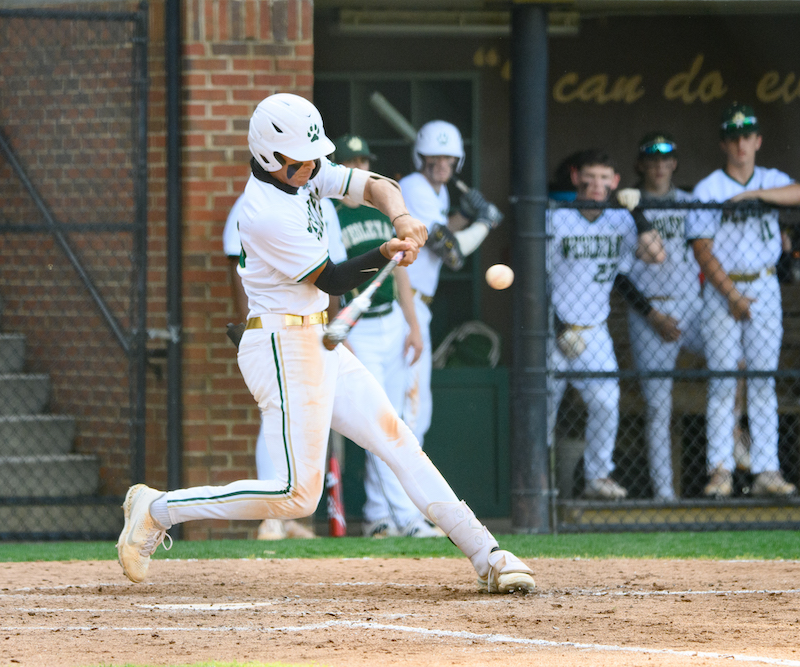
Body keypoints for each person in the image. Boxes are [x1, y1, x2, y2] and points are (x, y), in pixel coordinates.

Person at [117, 93, 535, 594]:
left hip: (315, 336)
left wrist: (400, 218)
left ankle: (488, 555)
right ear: (270, 156)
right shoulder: (264, 210)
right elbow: (333, 278)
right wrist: (384, 250)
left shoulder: (306, 170)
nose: (312, 167)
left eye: (315, 157)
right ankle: (158, 508)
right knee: (296, 497)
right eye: (300, 160)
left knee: (397, 439)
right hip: (280, 345)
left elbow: (376, 184)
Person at [689, 102, 800, 497]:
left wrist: (754, 194)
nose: (741, 144)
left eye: (747, 136)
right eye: (734, 137)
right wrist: (733, 295)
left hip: (765, 285)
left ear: (757, 140)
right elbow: (702, 248)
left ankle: (766, 470)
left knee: (762, 382)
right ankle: (720, 469)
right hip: (724, 291)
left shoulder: (771, 179)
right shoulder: (709, 188)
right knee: (723, 382)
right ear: (725, 143)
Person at [326, 133, 439, 538]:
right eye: (350, 162)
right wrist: (343, 333)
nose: (358, 168)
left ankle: (382, 515)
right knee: (381, 421)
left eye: (362, 161)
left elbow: (400, 272)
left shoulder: (384, 214)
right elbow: (329, 282)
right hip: (360, 326)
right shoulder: (329, 214)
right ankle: (402, 518)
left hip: (392, 321)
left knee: (400, 420)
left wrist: (413, 325)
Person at [223, 195, 344, 539]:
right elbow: (238, 264)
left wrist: (332, 331)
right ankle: (271, 516)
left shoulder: (323, 205)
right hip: (275, 328)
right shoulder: (254, 202)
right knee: (276, 415)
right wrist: (250, 326)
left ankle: (287, 517)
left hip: (312, 329)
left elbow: (332, 273)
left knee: (306, 421)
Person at [547, 149, 665, 500]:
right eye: (590, 176)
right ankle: (538, 481)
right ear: (575, 177)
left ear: (615, 182)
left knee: (606, 401)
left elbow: (656, 254)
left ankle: (598, 475)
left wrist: (636, 211)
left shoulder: (621, 219)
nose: (597, 184)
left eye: (605, 178)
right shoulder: (556, 218)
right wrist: (555, 326)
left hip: (594, 330)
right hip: (552, 329)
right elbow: (535, 277)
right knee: (542, 409)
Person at [400, 120, 501, 449]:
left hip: (417, 305)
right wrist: (484, 224)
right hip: (403, 305)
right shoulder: (415, 186)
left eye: (448, 159)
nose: (442, 165)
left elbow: (440, 229)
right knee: (412, 407)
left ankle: (401, 499)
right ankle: (395, 500)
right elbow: (447, 250)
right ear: (421, 158)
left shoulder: (437, 192)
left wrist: (466, 216)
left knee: (416, 406)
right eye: (435, 158)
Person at [615, 132, 705, 500]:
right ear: (640, 165)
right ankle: (665, 494)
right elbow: (618, 274)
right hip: (650, 311)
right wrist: (651, 314)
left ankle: (735, 445)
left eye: (665, 158)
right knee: (658, 406)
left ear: (674, 163)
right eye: (650, 159)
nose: (658, 165)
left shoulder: (691, 202)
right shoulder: (625, 208)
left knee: (738, 364)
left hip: (693, 304)